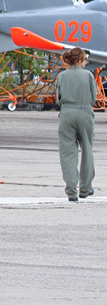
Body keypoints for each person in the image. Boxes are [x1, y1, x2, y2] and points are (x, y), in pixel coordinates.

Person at [56, 47, 97, 202]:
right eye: (84, 59)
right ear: (79, 60)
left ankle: (71, 190)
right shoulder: (88, 76)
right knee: (87, 149)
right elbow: (93, 97)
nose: (86, 61)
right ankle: (86, 188)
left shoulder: (62, 76)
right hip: (85, 111)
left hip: (67, 112)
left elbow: (58, 98)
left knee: (67, 152)